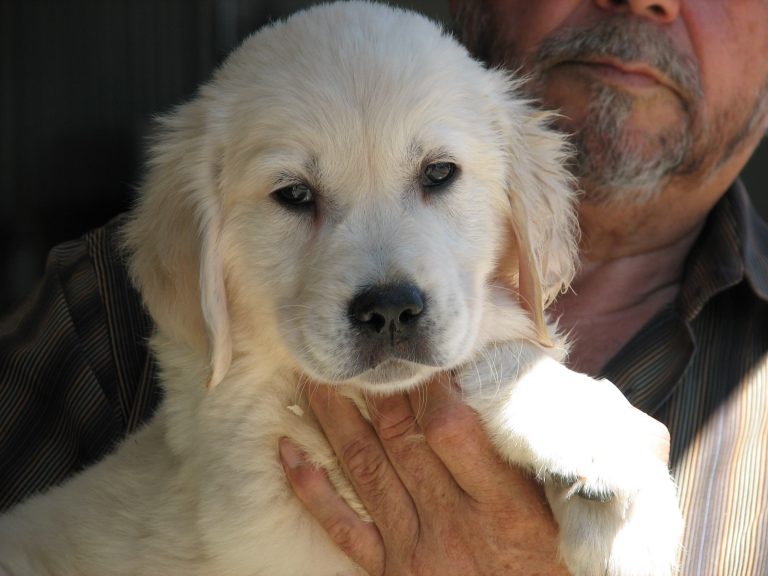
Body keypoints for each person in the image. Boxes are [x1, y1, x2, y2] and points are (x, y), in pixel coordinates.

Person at [0, 0, 766, 574]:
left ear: (524, 206)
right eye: (296, 196)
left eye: (437, 177)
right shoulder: (100, 304)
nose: (388, 291)